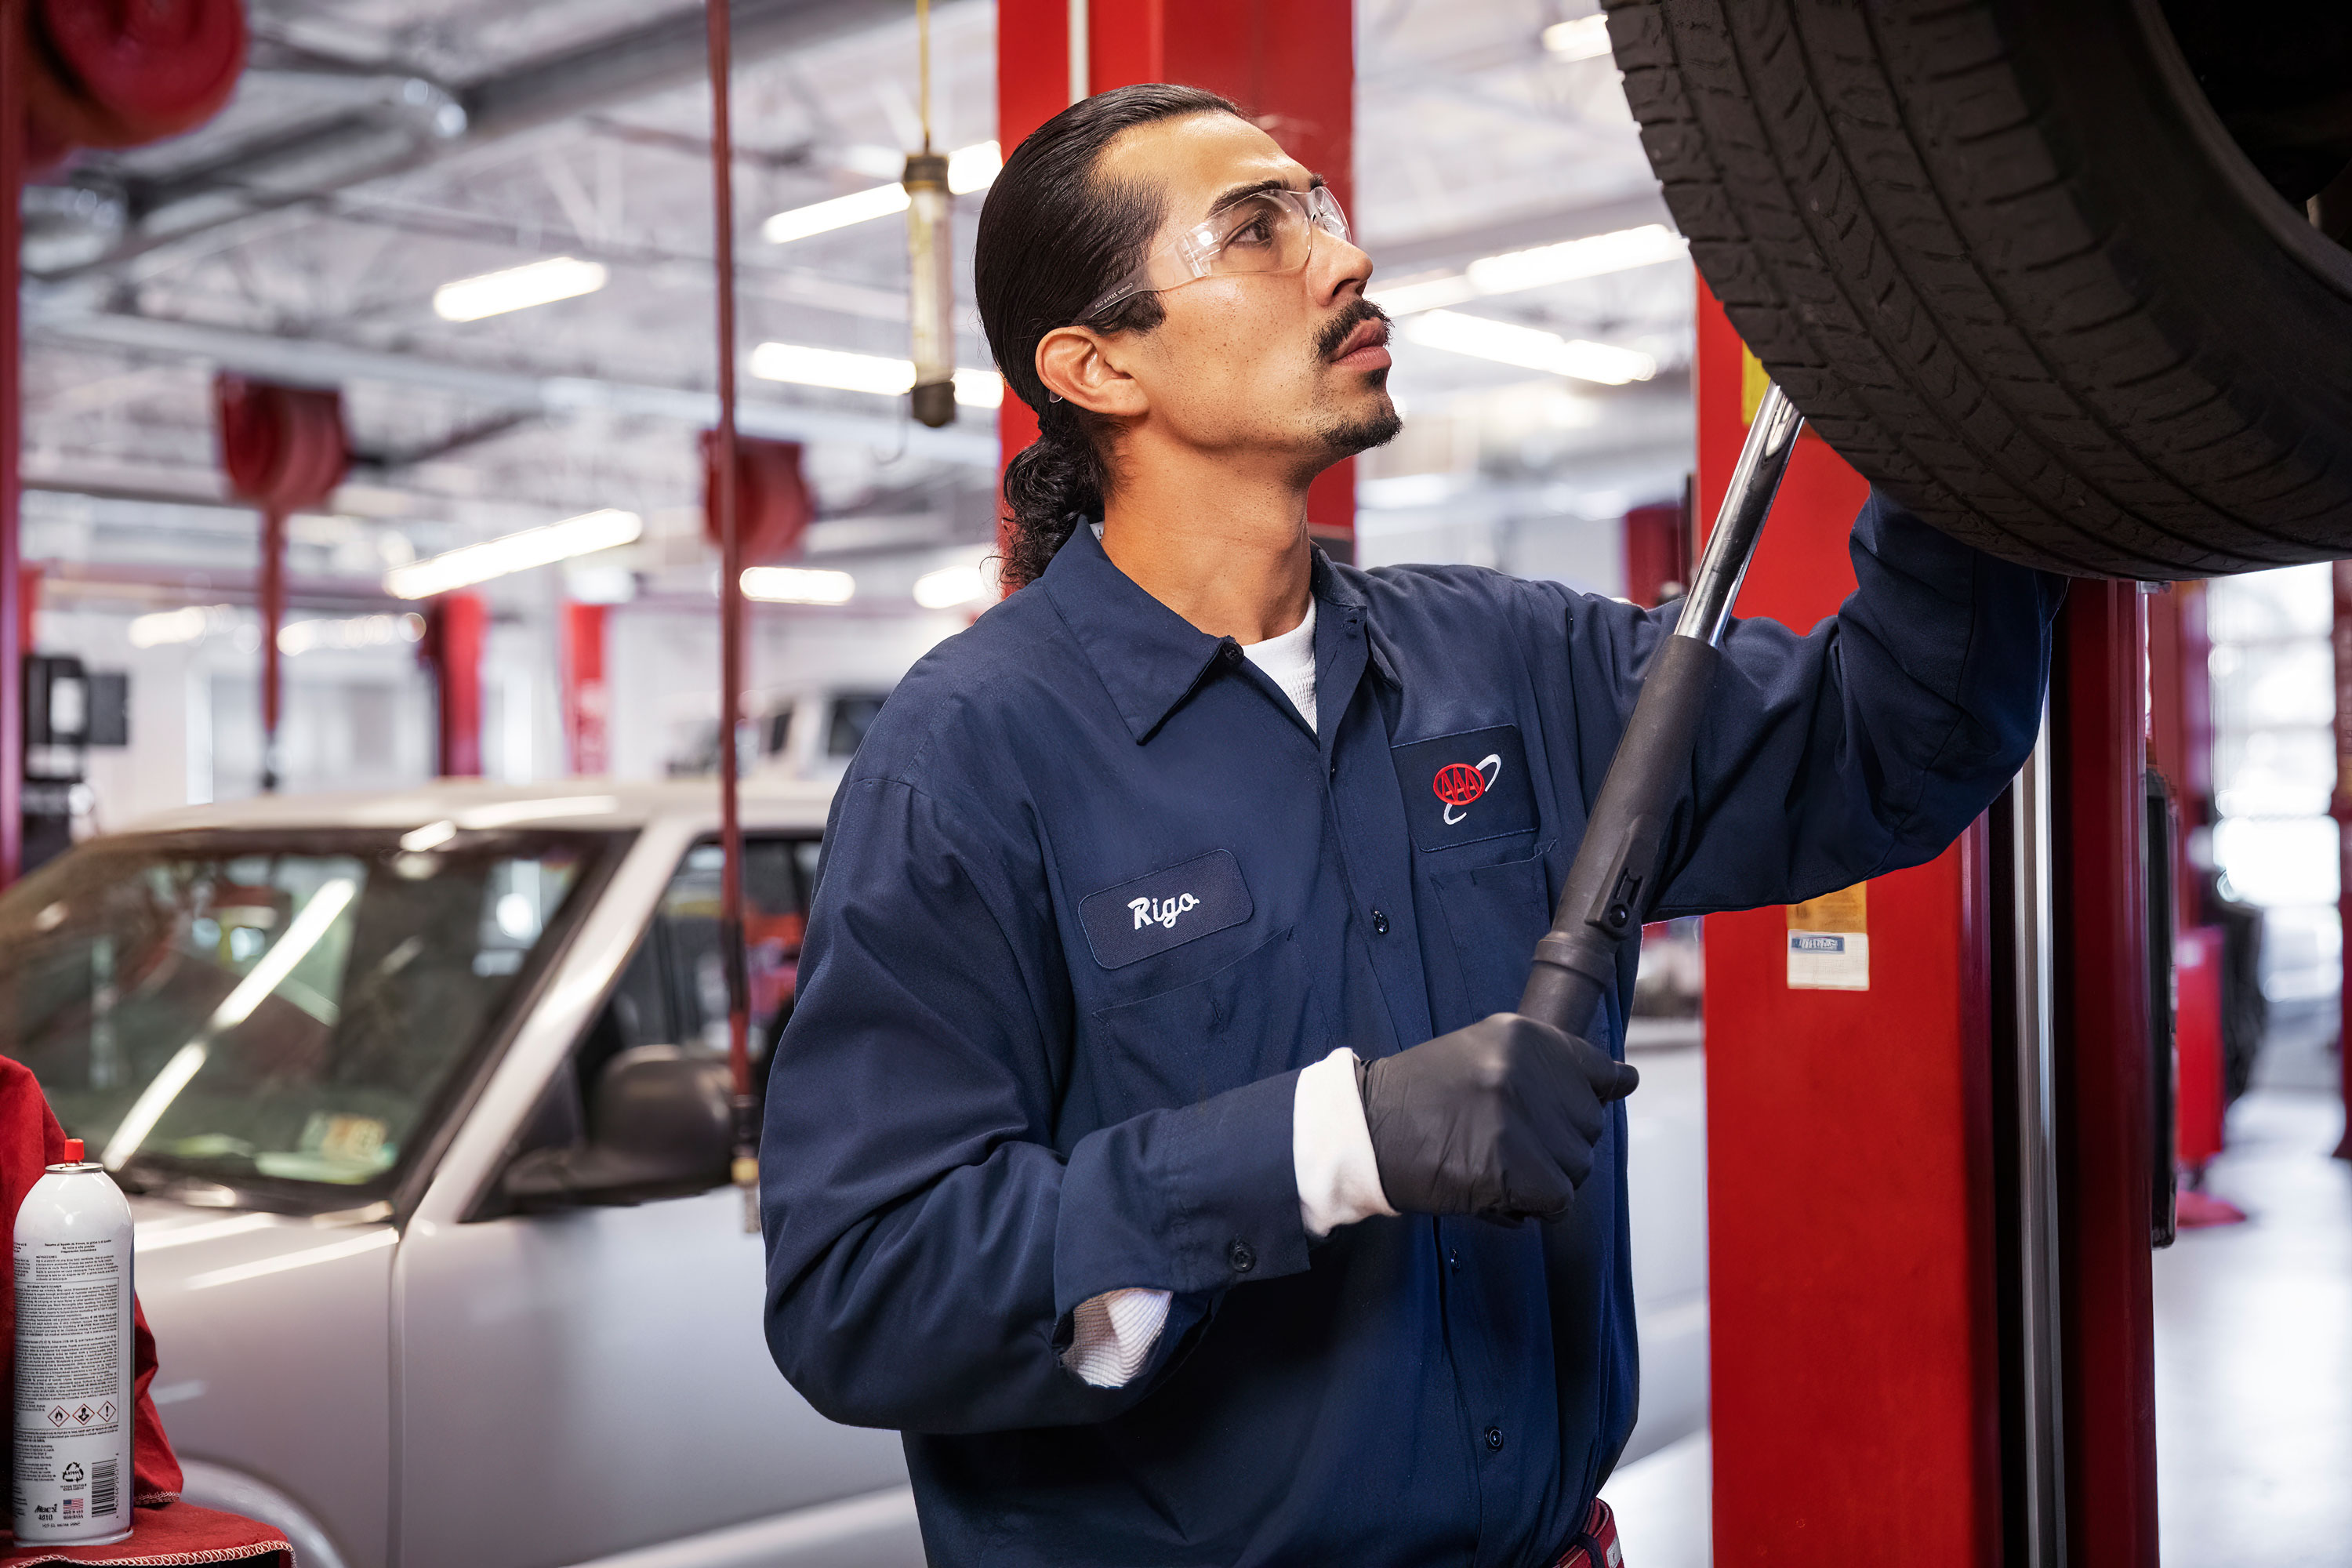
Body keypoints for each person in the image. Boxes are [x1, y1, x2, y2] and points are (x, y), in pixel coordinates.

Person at [760, 83, 2063, 1567]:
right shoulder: (970, 757)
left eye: (1317, 206)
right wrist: (1334, 1145)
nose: (1344, 256)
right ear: (1098, 363)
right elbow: (861, 1289)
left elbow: (1895, 740)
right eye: (1257, 230)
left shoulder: (1509, 665)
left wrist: (1969, 369)